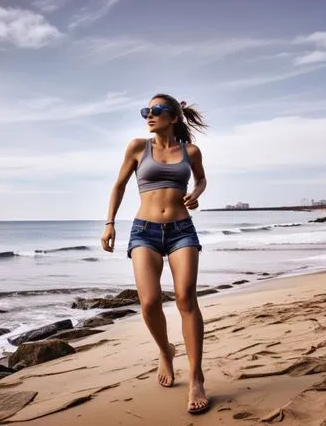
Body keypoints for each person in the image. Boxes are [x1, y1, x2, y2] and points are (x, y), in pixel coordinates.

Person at [101, 94, 209, 415]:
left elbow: (201, 178)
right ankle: (165, 350)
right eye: (146, 111)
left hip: (181, 231)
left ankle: (196, 377)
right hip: (144, 231)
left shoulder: (191, 151)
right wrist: (109, 223)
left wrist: (196, 193)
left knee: (185, 297)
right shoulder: (137, 147)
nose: (149, 115)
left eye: (156, 111)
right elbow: (119, 185)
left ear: (173, 117)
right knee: (148, 302)